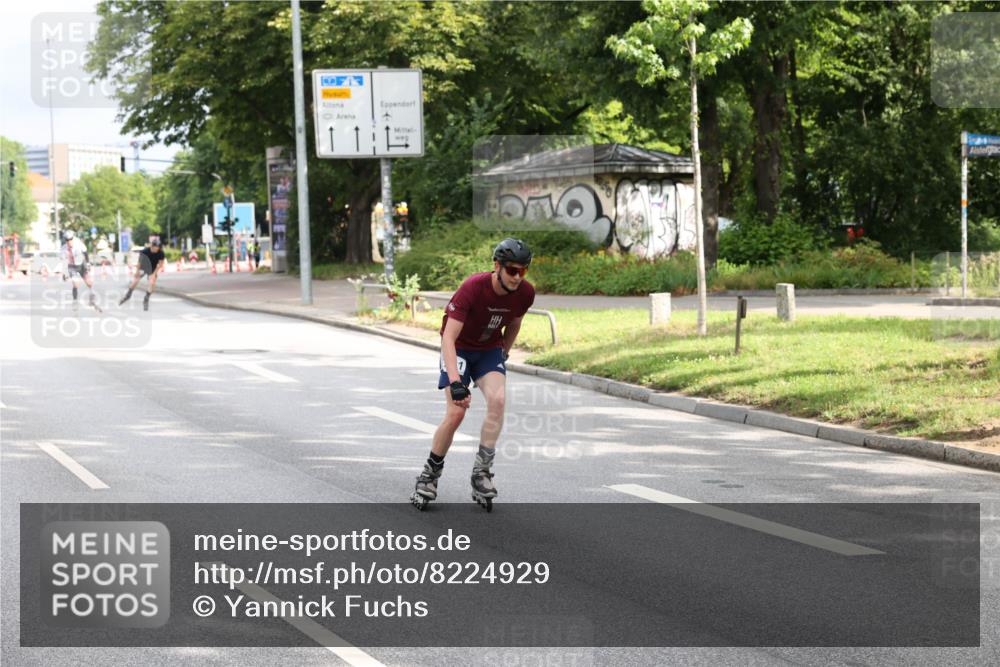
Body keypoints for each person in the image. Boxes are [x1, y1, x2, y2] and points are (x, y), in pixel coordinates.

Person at [411, 238, 535, 512]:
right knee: (456, 412)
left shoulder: (525, 293)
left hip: (489, 349)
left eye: (522, 271)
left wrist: (504, 353)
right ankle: (429, 475)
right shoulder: (473, 288)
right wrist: (456, 382)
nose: (517, 277)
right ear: (497, 266)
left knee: (498, 400)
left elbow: (514, 323)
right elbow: (448, 338)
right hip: (459, 349)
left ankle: (482, 472)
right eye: (512, 270)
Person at [119, 235, 165, 311]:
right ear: (152, 247)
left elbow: (160, 264)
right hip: (143, 266)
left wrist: (154, 274)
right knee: (136, 280)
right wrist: (137, 272)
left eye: (158, 248)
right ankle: (128, 294)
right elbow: (139, 263)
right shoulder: (145, 251)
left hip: (153, 268)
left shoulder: (161, 253)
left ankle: (147, 297)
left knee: (152, 282)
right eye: (155, 248)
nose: (156, 249)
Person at [61, 230, 100, 311]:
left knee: (89, 283)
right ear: (65, 240)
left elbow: (85, 253)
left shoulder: (78, 243)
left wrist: (88, 264)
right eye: (67, 240)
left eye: (70, 239)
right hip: (72, 267)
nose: (69, 241)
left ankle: (91, 300)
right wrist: (64, 273)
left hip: (81, 265)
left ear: (73, 238)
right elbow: (63, 261)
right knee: (76, 285)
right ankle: (75, 302)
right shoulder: (63, 249)